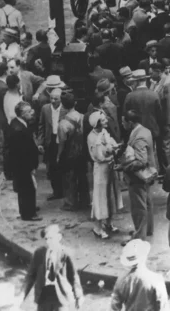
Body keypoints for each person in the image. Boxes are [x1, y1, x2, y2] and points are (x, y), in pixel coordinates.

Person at [23, 224, 83, 310]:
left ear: (59, 237)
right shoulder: (39, 253)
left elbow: (73, 276)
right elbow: (30, 276)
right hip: (43, 294)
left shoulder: (65, 254)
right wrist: (22, 295)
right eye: (46, 239)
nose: (48, 242)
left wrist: (78, 296)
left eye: (51, 238)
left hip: (60, 294)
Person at [120, 109, 157, 241]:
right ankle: (147, 230)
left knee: (138, 206)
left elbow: (141, 160)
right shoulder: (145, 130)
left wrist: (124, 166)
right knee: (146, 202)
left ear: (130, 122)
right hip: (147, 174)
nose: (122, 124)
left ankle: (139, 235)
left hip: (138, 176)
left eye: (124, 122)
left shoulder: (138, 136)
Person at [87, 111, 123, 239]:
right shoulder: (92, 137)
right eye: (103, 120)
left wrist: (115, 149)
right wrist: (111, 151)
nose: (106, 121)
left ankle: (109, 222)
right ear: (97, 123)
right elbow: (98, 156)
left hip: (110, 167)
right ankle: (98, 227)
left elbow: (112, 146)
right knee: (100, 196)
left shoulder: (105, 133)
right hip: (101, 169)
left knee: (111, 195)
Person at [111, 239, 170, 311]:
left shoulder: (122, 280)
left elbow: (114, 306)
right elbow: (163, 307)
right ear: (144, 257)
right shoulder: (156, 279)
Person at [57, 92, 89, 212]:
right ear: (75, 103)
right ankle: (85, 201)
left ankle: (71, 203)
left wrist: (58, 156)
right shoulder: (83, 117)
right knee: (82, 177)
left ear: (63, 105)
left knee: (69, 178)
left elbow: (62, 142)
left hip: (69, 153)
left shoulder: (63, 123)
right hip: (82, 151)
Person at [9, 101, 40, 221]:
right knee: (27, 189)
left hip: (21, 165)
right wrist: (31, 166)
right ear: (22, 114)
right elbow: (23, 152)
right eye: (28, 111)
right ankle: (28, 214)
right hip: (23, 166)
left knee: (26, 189)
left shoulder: (18, 123)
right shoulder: (19, 129)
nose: (32, 113)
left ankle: (28, 209)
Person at [38, 87, 64, 200]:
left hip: (62, 140)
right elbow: (41, 126)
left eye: (56, 99)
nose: (53, 101)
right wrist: (40, 142)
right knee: (52, 168)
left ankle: (66, 191)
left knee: (63, 166)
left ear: (61, 99)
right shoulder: (45, 109)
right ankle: (56, 192)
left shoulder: (65, 109)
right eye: (51, 98)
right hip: (51, 140)